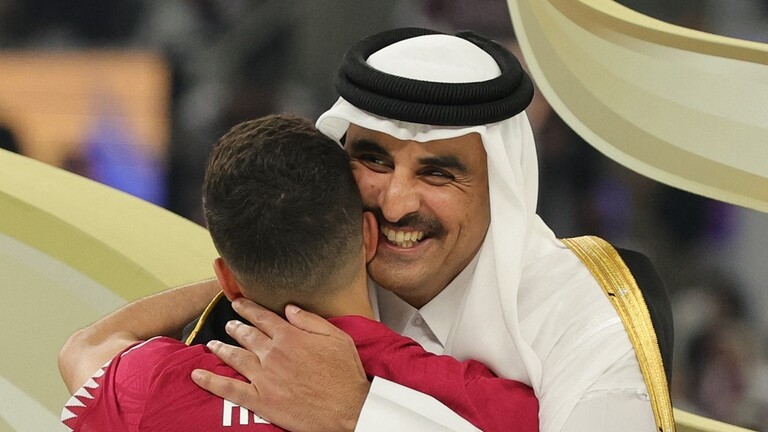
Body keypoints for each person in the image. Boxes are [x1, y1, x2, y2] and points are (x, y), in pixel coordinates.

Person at [183, 28, 675, 432]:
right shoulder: (303, 283)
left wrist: (358, 416)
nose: (396, 205)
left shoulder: (585, 309)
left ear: (500, 184)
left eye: (437, 173)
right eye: (374, 160)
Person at [58, 114, 539, 431]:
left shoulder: (154, 385)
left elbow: (87, 345)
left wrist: (252, 270)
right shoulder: (466, 395)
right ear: (368, 236)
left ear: (227, 278)